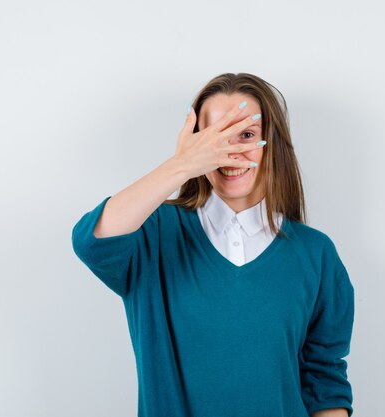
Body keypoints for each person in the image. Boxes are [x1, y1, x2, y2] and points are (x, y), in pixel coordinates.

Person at [71, 72, 355, 417]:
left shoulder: (315, 253)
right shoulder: (153, 233)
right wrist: (182, 166)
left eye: (246, 135)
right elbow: (93, 241)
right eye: (214, 139)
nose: (230, 153)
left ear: (272, 145)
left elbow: (323, 381)